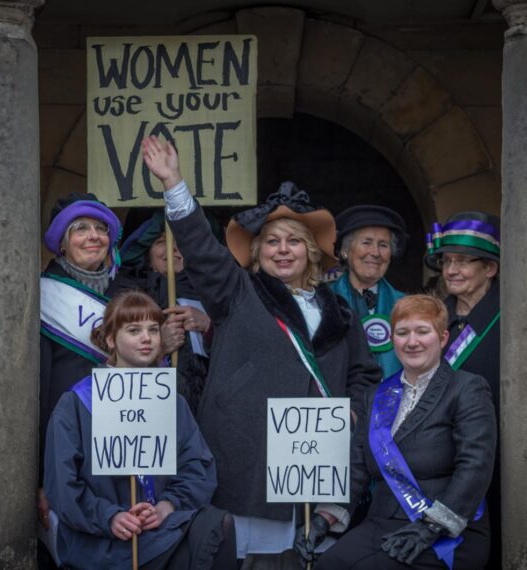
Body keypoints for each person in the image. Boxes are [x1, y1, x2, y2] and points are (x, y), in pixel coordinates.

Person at [142, 136, 381, 564]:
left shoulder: (341, 309)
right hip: (246, 452)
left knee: (301, 559)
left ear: (310, 252)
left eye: (292, 242)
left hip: (313, 458)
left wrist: (354, 409)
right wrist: (174, 182)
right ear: (257, 253)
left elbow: (365, 372)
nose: (283, 250)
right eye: (272, 242)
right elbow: (200, 249)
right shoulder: (237, 291)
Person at [43, 290, 236, 569]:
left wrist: (167, 506)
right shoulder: (76, 404)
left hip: (160, 526)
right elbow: (62, 486)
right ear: (111, 339)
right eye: (134, 330)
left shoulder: (172, 403)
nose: (146, 338)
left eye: (153, 330)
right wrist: (110, 517)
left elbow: (198, 466)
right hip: (102, 538)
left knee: (218, 527)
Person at [304, 295, 496, 569]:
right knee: (329, 563)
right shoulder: (375, 396)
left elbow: (475, 466)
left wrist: (431, 526)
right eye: (402, 333)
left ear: (442, 338)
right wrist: (326, 517)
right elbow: (358, 466)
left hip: (449, 530)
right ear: (392, 339)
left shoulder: (467, 388)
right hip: (381, 522)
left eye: (422, 331)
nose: (412, 341)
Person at [38, 193, 137, 545]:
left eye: (101, 228)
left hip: (126, 441)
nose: (94, 236)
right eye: (80, 228)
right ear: (62, 244)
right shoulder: (42, 296)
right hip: (69, 447)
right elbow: (36, 395)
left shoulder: (129, 296)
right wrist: (42, 478)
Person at [424, 211, 502, 569]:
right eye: (447, 261)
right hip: (440, 456)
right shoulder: (435, 319)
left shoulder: (513, 317)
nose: (452, 270)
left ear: (490, 269)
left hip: (498, 456)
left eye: (463, 261)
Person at [119, 211, 215, 414]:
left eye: (181, 242)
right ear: (147, 252)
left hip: (209, 411)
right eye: (162, 241)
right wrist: (159, 348)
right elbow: (113, 361)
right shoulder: (127, 297)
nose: (173, 248)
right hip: (149, 410)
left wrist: (208, 327)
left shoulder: (214, 294)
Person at [330, 205, 409, 378]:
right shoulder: (323, 301)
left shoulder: (407, 306)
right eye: (366, 243)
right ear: (344, 251)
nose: (375, 253)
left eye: (383, 245)